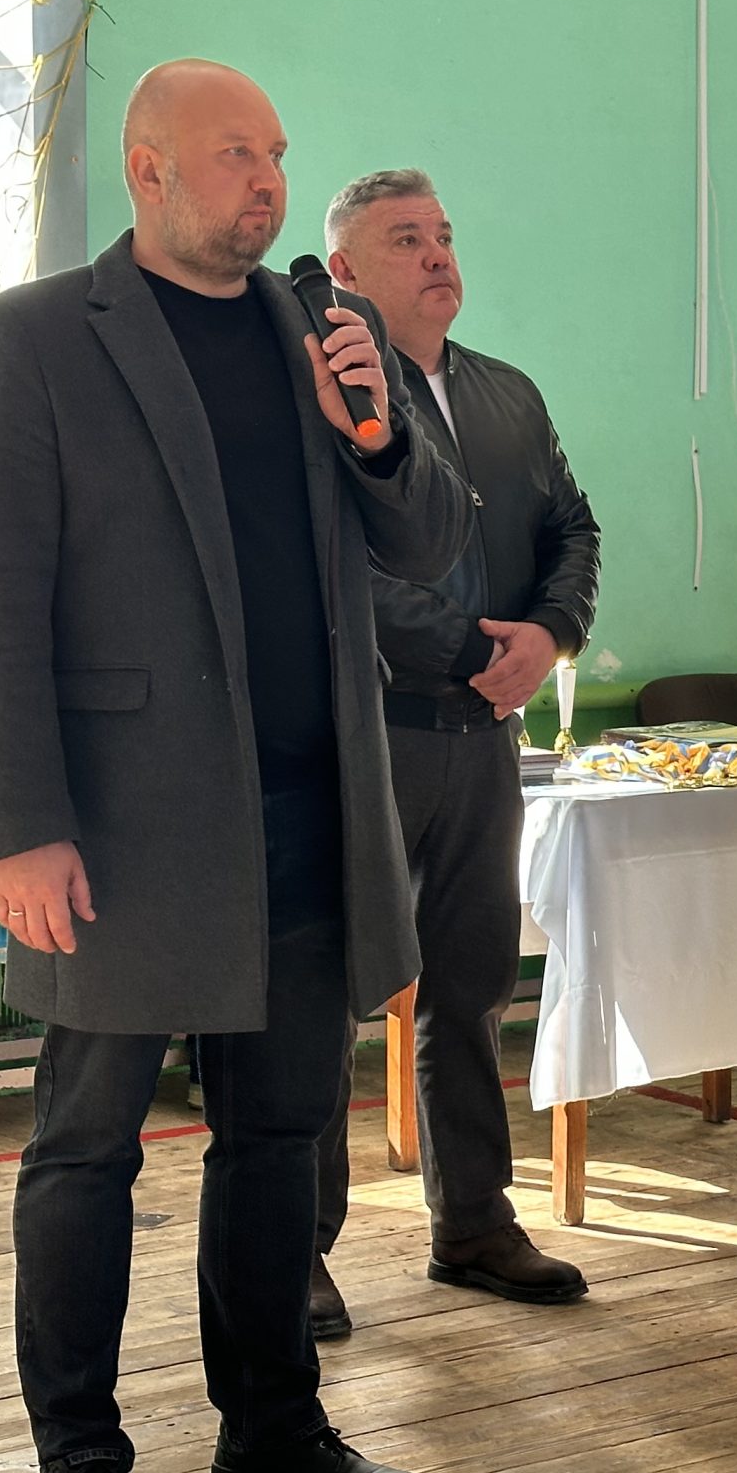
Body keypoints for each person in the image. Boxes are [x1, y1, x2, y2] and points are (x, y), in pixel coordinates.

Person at [0, 59, 469, 1473]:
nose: (266, 180)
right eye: (236, 152)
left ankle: (273, 1432)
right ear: (148, 166)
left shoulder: (321, 330)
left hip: (308, 814)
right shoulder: (38, 337)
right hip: (117, 829)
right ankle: (82, 1467)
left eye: (277, 153)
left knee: (280, 1140)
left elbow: (430, 537)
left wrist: (376, 428)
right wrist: (21, 824)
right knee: (85, 1151)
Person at [308, 169, 600, 1332]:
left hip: (485, 741)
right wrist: (471, 647)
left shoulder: (506, 393)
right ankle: (296, 1252)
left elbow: (572, 527)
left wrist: (550, 634)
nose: (437, 256)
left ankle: (473, 1223)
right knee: (324, 1002)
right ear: (343, 273)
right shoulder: (329, 397)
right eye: (404, 240)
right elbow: (334, 563)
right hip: (370, 736)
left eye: (442, 235)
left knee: (470, 990)